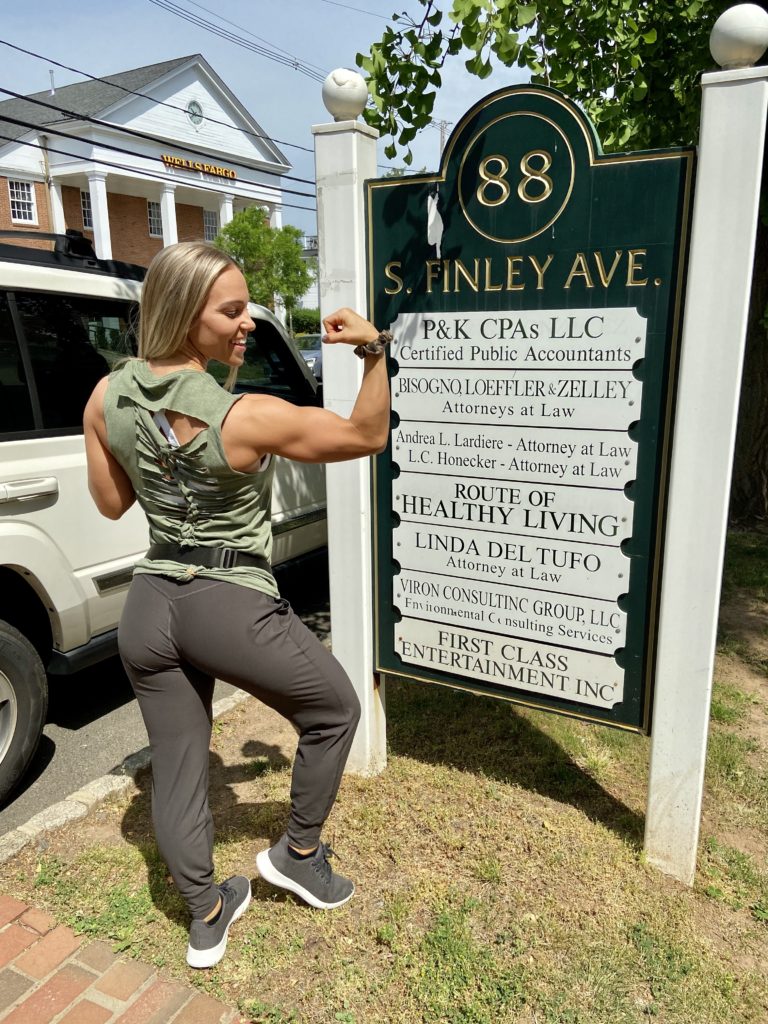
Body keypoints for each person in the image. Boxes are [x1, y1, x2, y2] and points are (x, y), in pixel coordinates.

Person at [83, 241, 390, 969]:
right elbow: (366, 434)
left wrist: (140, 446)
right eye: (231, 311)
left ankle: (205, 913)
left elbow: (110, 501)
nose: (246, 322)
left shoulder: (104, 397)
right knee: (336, 708)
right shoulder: (245, 416)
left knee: (180, 763)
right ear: (186, 314)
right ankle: (299, 853)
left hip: (150, 604)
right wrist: (375, 352)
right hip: (226, 601)